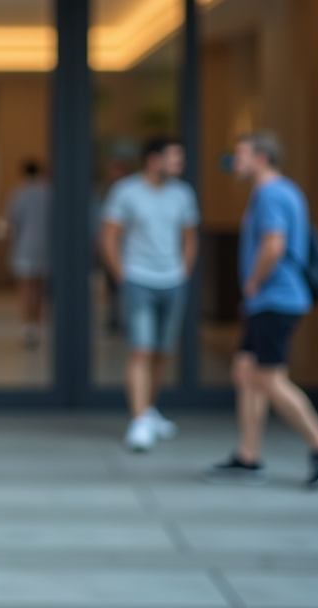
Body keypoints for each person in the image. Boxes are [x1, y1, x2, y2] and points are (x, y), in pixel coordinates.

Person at [205, 131, 318, 489]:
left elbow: (273, 245)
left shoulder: (270, 194)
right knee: (246, 371)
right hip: (269, 302)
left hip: (276, 299)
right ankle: (248, 457)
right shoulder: (282, 191)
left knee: (269, 378)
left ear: (260, 159)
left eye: (239, 155)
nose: (233, 163)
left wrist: (252, 283)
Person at [100, 137, 198, 452]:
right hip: (138, 281)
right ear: (153, 160)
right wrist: (123, 277)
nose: (179, 165)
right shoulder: (126, 191)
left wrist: (183, 272)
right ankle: (140, 419)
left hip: (172, 282)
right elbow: (109, 237)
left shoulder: (183, 194)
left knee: (162, 352)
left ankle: (150, 410)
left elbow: (190, 236)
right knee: (140, 350)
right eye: (174, 158)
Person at [7, 159, 52, 347]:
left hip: (25, 246)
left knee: (26, 289)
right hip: (45, 247)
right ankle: (37, 326)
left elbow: (13, 223)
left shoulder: (19, 193)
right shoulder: (48, 193)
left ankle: (27, 328)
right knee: (39, 290)